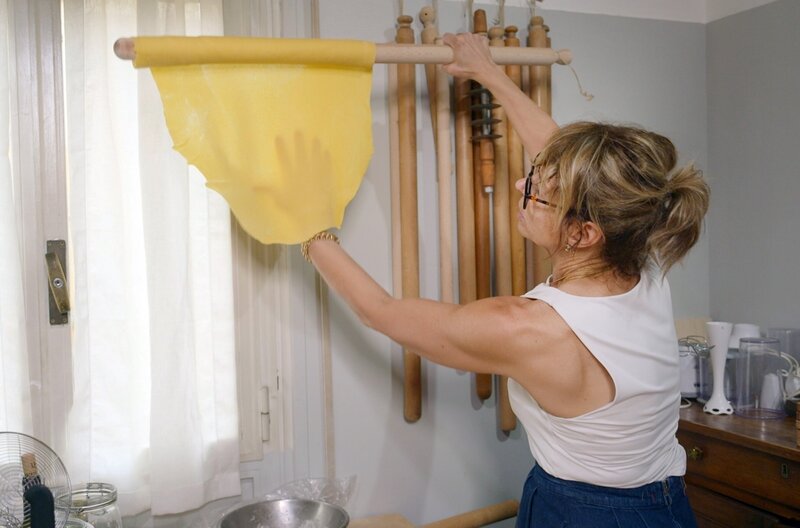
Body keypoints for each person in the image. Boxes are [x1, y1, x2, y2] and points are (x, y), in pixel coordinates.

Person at [300, 32, 709, 528]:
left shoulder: (529, 328)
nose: (521, 184)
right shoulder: (640, 252)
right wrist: (486, 71)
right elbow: (555, 150)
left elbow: (381, 312)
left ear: (583, 233)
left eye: (536, 192)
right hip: (666, 506)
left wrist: (305, 226)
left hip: (586, 515)